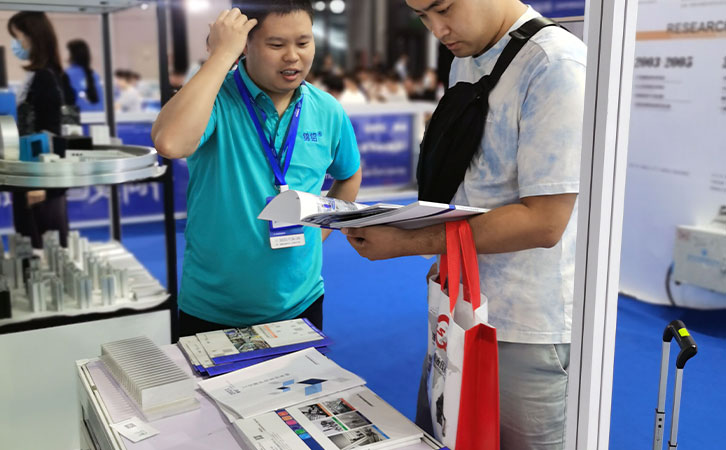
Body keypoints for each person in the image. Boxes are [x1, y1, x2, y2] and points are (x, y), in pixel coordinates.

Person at [342, 0, 586, 448]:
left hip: (524, 325)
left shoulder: (554, 64)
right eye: (422, 15)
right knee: (440, 436)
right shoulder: (468, 60)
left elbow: (544, 222)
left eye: (443, 8)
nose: (437, 29)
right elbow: (469, 187)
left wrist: (409, 242)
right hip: (458, 306)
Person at [151, 0, 361, 336]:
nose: (292, 56)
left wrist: (318, 231)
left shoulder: (326, 109)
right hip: (212, 308)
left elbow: (348, 174)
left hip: (302, 302)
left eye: (303, 42)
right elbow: (170, 143)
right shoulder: (215, 99)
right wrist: (221, 55)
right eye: (276, 45)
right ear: (244, 44)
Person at [7, 11, 73, 248]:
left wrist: (41, 183)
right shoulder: (39, 75)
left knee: (45, 250)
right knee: (34, 245)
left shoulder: (46, 77)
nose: (17, 44)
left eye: (19, 37)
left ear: (33, 37)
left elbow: (51, 132)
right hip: (30, 174)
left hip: (40, 179)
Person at [65, 39, 104, 112]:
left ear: (71, 55)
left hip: (80, 117)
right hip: (99, 116)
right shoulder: (94, 75)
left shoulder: (67, 75)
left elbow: (67, 104)